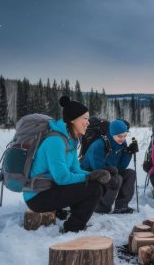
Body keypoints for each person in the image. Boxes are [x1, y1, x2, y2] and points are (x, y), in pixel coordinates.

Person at [24, 96, 111, 233]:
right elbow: (62, 177)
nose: (88, 123)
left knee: (98, 185)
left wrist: (94, 175)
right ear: (72, 120)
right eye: (85, 118)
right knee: (94, 189)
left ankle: (74, 219)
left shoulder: (71, 140)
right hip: (37, 196)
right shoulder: (55, 141)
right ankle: (72, 228)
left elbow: (75, 169)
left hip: (50, 189)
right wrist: (89, 178)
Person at [81, 119, 138, 214]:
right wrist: (111, 171)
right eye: (119, 136)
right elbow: (96, 167)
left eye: (124, 135)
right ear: (112, 133)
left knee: (130, 174)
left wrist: (129, 152)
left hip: (111, 171)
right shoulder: (99, 144)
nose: (122, 138)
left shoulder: (122, 143)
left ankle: (121, 206)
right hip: (91, 174)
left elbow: (121, 166)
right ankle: (101, 207)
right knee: (116, 178)